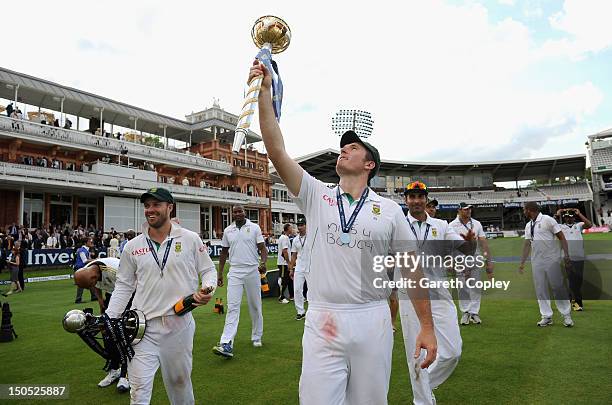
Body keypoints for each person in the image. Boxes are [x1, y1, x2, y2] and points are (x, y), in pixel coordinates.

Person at [251, 60, 437, 404]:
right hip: (323, 317)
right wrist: (265, 94)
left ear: (369, 165)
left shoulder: (391, 210)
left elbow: (412, 272)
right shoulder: (317, 193)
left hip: (373, 318)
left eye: (353, 148)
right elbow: (276, 150)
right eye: (343, 146)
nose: (344, 149)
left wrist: (426, 327)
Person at [105, 187, 216, 404]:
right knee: (138, 391)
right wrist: (111, 317)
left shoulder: (190, 238)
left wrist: (208, 288)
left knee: (179, 385)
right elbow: (124, 285)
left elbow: (208, 270)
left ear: (169, 207)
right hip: (141, 328)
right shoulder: (132, 246)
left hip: (179, 324)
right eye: (147, 206)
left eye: (156, 205)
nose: (150, 210)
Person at [401, 181, 474, 405]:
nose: (416, 201)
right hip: (409, 294)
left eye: (420, 197)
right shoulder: (398, 224)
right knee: (417, 355)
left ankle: (426, 384)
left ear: (426, 200)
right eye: (412, 197)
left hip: (438, 292)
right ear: (406, 200)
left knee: (453, 351)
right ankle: (422, 400)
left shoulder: (441, 225)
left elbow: (457, 248)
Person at [213, 205, 268, 358]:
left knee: (255, 306)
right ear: (232, 214)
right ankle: (226, 342)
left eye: (240, 211)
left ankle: (257, 336)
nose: (238, 214)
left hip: (252, 271)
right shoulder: (228, 230)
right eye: (235, 212)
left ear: (244, 212)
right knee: (232, 307)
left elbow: (263, 249)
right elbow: (223, 253)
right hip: (235, 271)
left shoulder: (254, 227)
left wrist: (263, 263)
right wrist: (220, 273)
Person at [74, 257, 130, 393]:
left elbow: (134, 286)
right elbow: (95, 286)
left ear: (94, 277)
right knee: (107, 332)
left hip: (129, 294)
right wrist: (100, 301)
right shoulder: (90, 271)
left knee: (123, 333)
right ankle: (114, 369)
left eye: (90, 285)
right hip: (112, 295)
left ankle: (126, 374)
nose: (91, 288)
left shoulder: (115, 270)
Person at [519, 202, 574, 327]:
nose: (523, 212)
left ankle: (566, 315)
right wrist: (522, 262)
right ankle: (546, 316)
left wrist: (566, 255)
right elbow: (527, 244)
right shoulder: (529, 225)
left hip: (551, 260)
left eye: (524, 210)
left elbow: (562, 237)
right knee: (540, 289)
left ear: (529, 210)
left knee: (558, 287)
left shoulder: (547, 220)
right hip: (536, 261)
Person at [448, 202, 494, 325]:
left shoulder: (476, 223)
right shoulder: (452, 225)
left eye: (469, 209)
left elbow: (483, 242)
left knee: (475, 286)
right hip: (460, 260)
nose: (468, 211)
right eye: (465, 209)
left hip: (475, 258)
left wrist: (489, 261)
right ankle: (465, 312)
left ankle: (474, 312)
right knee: (462, 287)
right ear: (459, 210)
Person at [557, 207, 592, 311]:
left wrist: (579, 213)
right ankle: (576, 303)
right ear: (564, 218)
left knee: (578, 281)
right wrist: (557, 214)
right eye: (566, 217)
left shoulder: (579, 225)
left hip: (579, 257)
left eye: (570, 217)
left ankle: (569, 300)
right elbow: (550, 226)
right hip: (567, 258)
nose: (568, 219)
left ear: (573, 217)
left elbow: (589, 225)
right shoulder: (560, 227)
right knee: (572, 280)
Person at [289, 218, 309, 320]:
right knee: (297, 289)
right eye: (299, 225)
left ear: (306, 225)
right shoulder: (295, 239)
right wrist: (291, 268)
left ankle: (313, 311)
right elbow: (294, 254)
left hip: (311, 266)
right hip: (299, 267)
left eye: (302, 225)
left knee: (313, 290)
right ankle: (300, 311)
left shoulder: (312, 236)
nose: (300, 227)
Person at [74, 238, 96, 303]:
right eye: (89, 241)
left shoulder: (85, 250)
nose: (91, 242)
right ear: (85, 243)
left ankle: (94, 296)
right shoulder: (82, 251)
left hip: (84, 268)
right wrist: (95, 260)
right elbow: (85, 261)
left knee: (91, 282)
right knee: (81, 284)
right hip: (80, 269)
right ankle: (78, 299)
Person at [277, 223, 293, 303]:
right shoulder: (284, 238)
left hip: (285, 262)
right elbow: (285, 251)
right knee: (283, 280)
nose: (292, 229)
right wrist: (288, 262)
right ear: (288, 229)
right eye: (291, 228)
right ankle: (281, 297)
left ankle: (291, 295)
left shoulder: (285, 237)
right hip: (283, 263)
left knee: (289, 280)